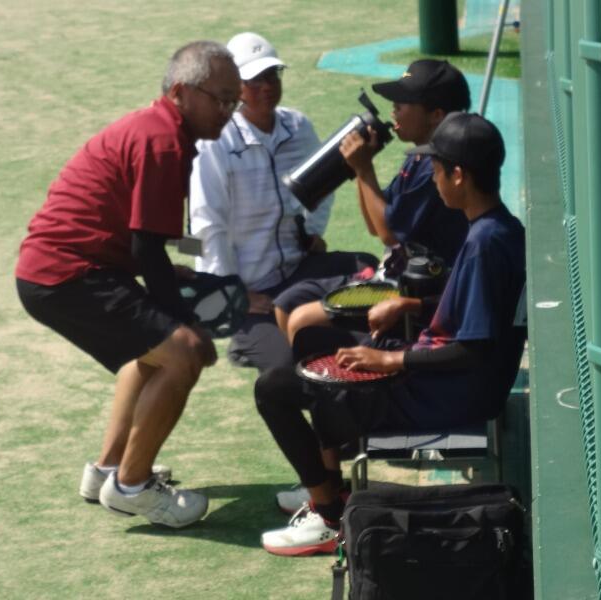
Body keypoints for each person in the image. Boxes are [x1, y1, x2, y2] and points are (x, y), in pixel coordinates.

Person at [254, 112, 526, 556]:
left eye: (436, 169)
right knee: (314, 349)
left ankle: (328, 516)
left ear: (458, 175)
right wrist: (412, 306)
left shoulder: (483, 244)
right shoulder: (501, 228)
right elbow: (482, 312)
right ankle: (328, 489)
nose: (433, 178)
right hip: (452, 380)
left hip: (449, 393)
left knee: (276, 389)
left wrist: (389, 360)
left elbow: (473, 348)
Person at [15, 41, 241, 528]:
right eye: (221, 99)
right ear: (180, 92)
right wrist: (184, 324)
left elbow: (142, 242)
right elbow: (147, 247)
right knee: (183, 353)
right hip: (68, 274)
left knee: (154, 350)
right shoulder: (163, 142)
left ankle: (107, 470)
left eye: (234, 101)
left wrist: (166, 293)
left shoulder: (160, 131)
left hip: (59, 271)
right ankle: (132, 488)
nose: (227, 111)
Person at [189, 32, 377, 372]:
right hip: (251, 289)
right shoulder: (216, 142)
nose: (267, 86)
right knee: (291, 367)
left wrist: (313, 231)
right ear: (235, 87)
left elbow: (325, 183)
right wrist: (233, 293)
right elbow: (207, 223)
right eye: (255, 80)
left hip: (299, 271)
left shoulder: (298, 126)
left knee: (367, 267)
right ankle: (247, 337)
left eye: (272, 75)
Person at [274, 59, 471, 343]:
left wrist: (364, 168)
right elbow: (374, 225)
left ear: (436, 115)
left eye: (403, 103)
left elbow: (389, 234)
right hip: (393, 273)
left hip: (414, 290)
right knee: (286, 305)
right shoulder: (418, 158)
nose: (394, 109)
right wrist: (357, 169)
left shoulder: (435, 168)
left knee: (303, 320)